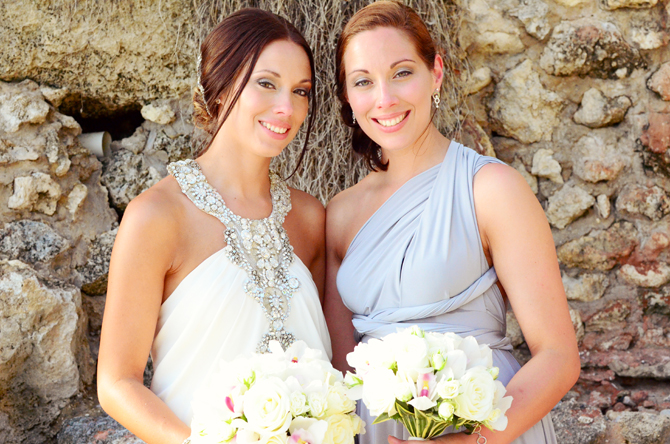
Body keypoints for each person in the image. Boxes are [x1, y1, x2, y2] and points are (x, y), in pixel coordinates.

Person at [323, 2, 580, 443]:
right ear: (348, 96)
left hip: (486, 428)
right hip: (374, 431)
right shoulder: (340, 213)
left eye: (402, 72)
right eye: (364, 81)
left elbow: (558, 356)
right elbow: (340, 368)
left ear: (435, 73)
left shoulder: (491, 188)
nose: (384, 98)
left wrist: (473, 440)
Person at [97, 9, 331, 444]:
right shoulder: (157, 216)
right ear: (221, 88)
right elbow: (116, 383)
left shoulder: (309, 219)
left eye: (301, 91)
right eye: (267, 83)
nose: (287, 107)